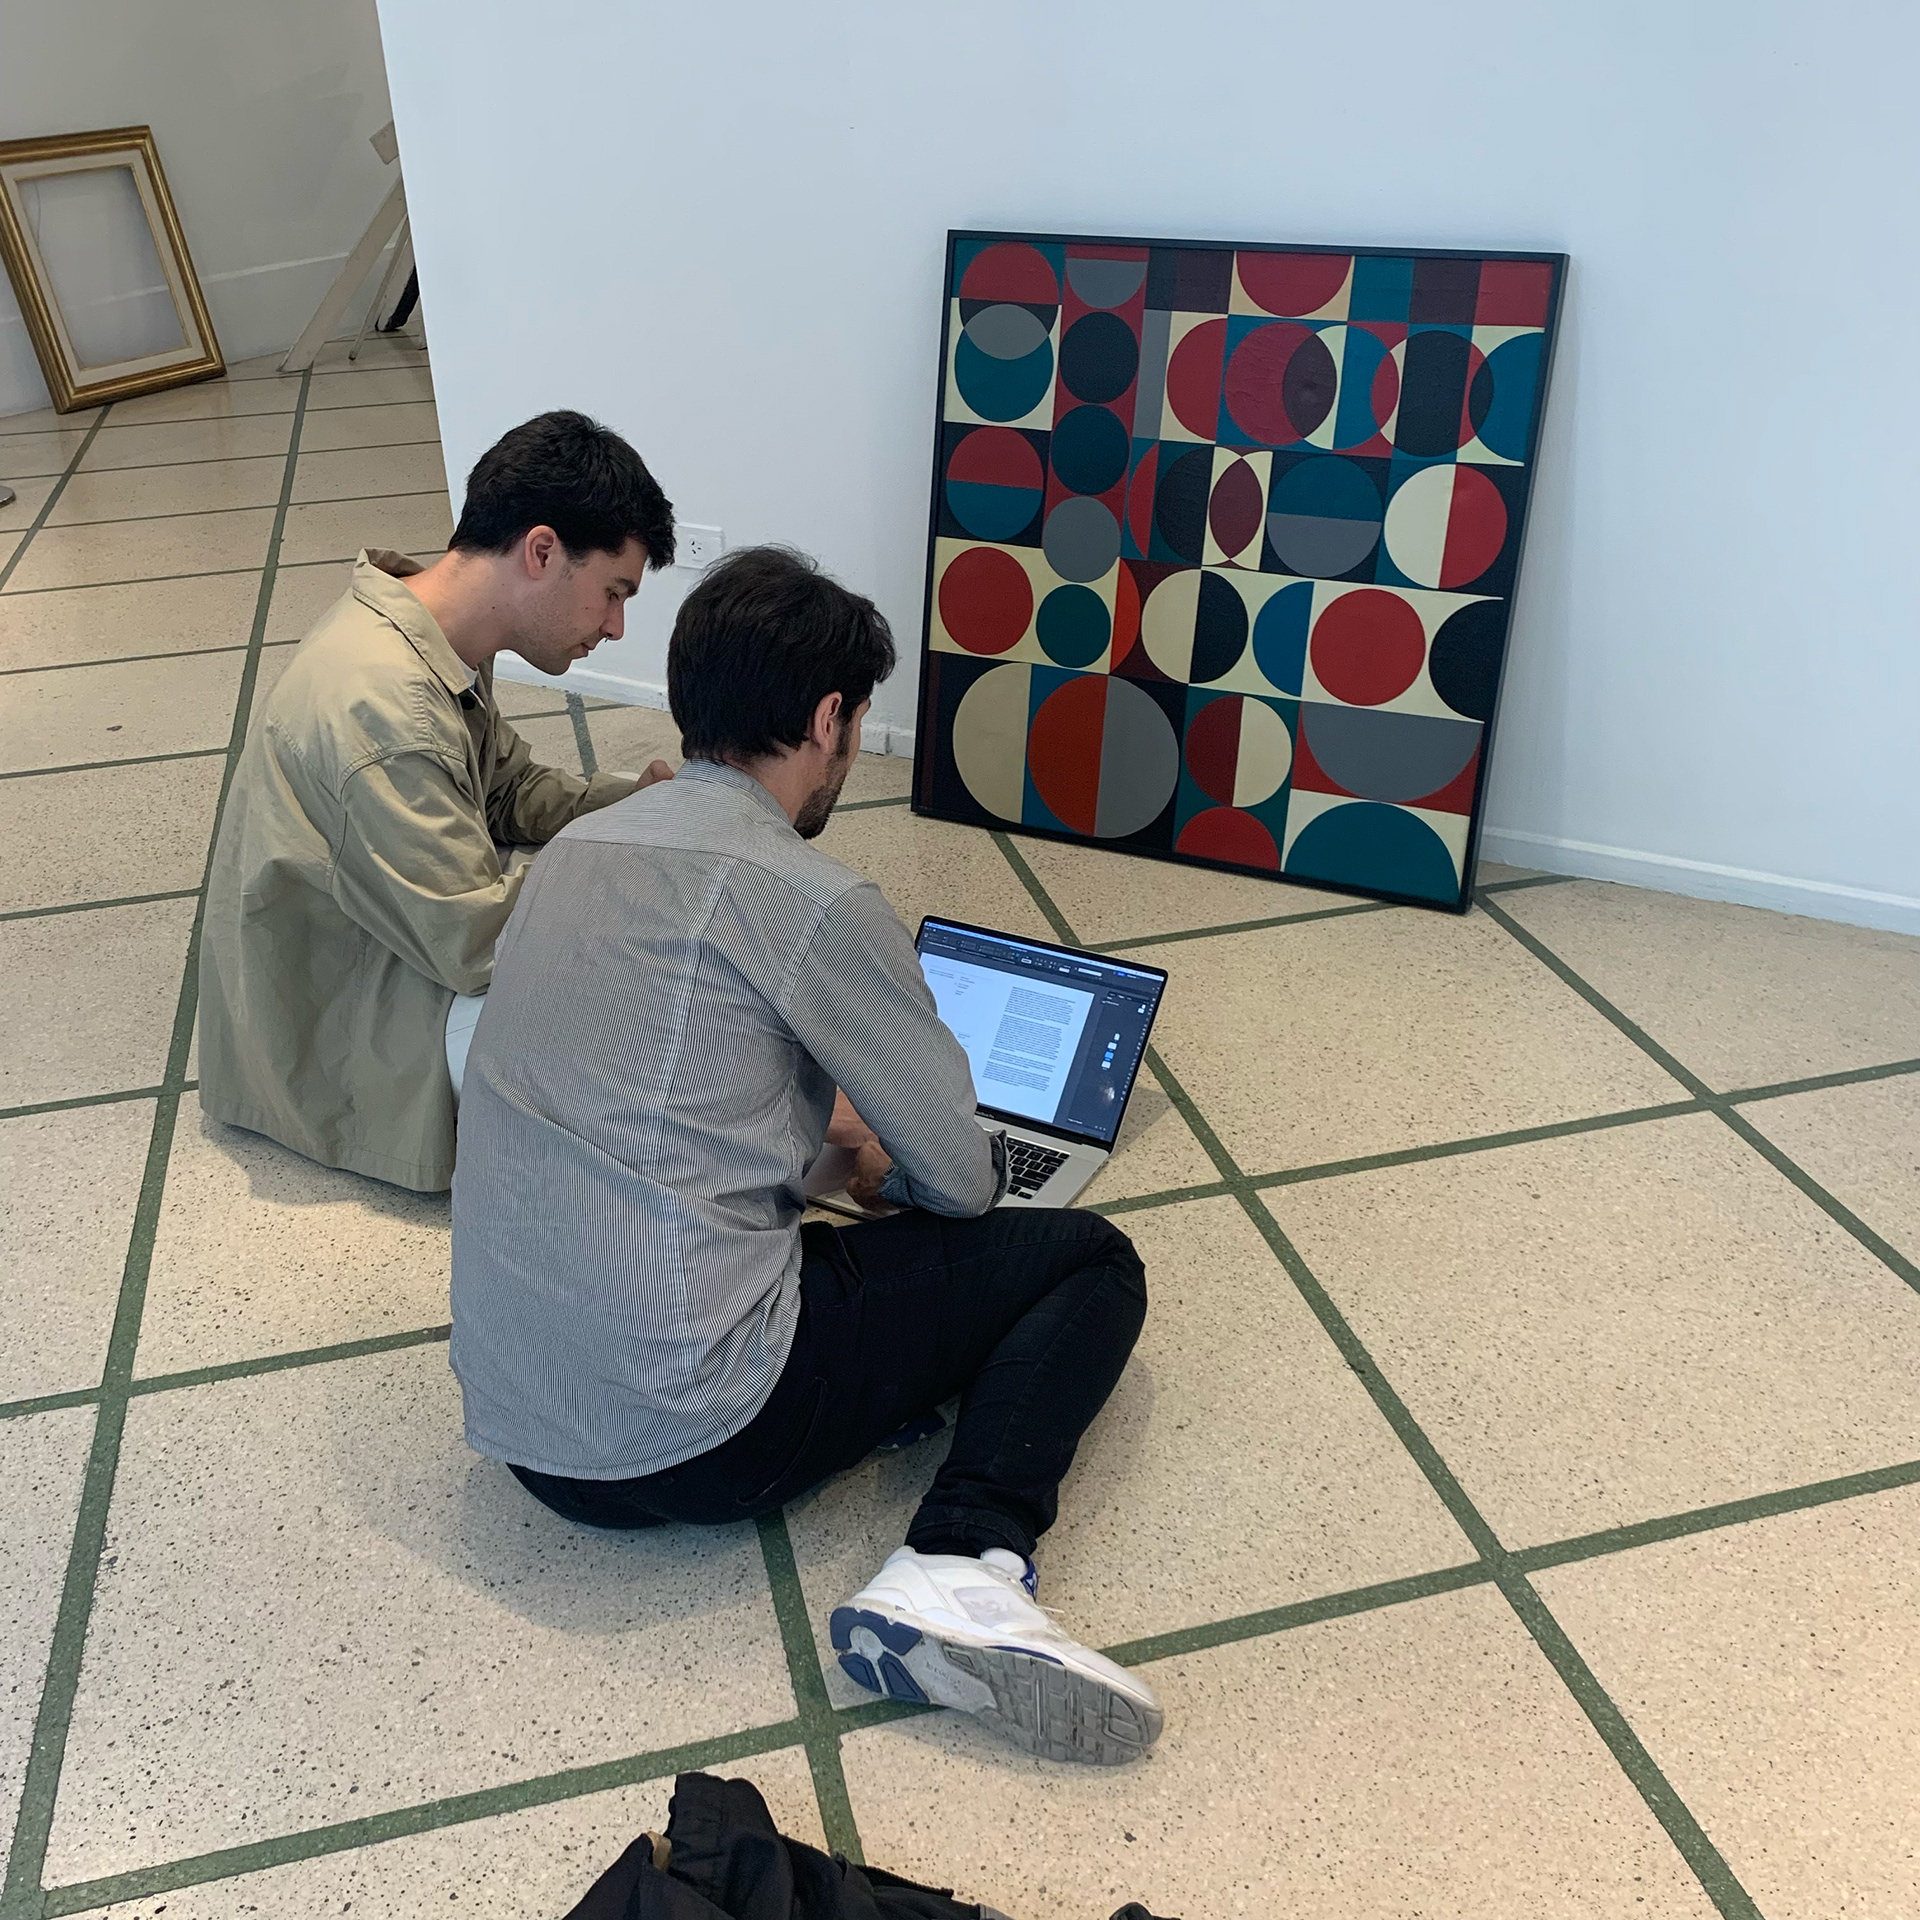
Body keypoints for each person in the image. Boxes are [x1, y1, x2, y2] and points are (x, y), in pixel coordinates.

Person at [449, 547, 1161, 1766]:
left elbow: (649, 1096)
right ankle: (960, 1562)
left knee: (819, 1234)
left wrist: (810, 1147)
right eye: (855, 725)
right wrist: (885, 1168)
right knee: (1089, 1260)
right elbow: (963, 1180)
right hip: (704, 1442)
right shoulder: (810, 896)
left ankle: (896, 1412)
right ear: (830, 719)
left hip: (528, 1440)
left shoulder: (575, 854)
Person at [198, 410, 677, 1193]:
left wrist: (633, 806)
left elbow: (506, 790)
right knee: (650, 1000)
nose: (617, 627)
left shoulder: (430, 630)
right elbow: (475, 942)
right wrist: (638, 861)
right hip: (341, 1039)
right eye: (613, 592)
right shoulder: (388, 706)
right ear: (541, 551)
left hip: (382, 945)